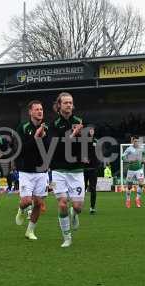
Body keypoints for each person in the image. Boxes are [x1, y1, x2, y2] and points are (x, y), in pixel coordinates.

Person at [49, 92, 85, 248]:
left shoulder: (79, 122)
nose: (69, 105)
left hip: (76, 170)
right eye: (66, 103)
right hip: (58, 170)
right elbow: (54, 145)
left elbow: (85, 143)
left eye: (71, 102)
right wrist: (73, 135)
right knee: (62, 204)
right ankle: (67, 237)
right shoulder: (53, 124)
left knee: (77, 207)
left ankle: (74, 214)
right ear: (59, 105)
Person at [14, 100, 49, 240]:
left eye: (41, 109)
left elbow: (49, 148)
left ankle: (30, 231)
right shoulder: (22, 128)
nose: (40, 111)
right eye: (36, 109)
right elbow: (20, 149)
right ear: (30, 112)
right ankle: (21, 209)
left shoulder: (47, 128)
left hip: (41, 171)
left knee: (39, 204)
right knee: (27, 201)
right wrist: (35, 138)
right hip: (26, 171)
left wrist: (44, 139)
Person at [122, 136, 145, 208]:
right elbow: (123, 157)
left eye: (137, 141)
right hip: (131, 170)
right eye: (135, 141)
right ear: (132, 142)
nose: (136, 142)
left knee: (141, 183)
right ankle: (128, 200)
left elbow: (144, 155)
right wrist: (129, 160)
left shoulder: (141, 148)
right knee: (129, 186)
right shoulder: (129, 149)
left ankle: (137, 199)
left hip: (139, 169)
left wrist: (144, 160)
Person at [84, 125, 99, 214]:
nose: (91, 131)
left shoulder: (96, 141)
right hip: (85, 168)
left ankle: (92, 207)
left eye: (93, 129)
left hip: (93, 168)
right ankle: (79, 204)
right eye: (90, 130)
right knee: (83, 187)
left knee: (93, 188)